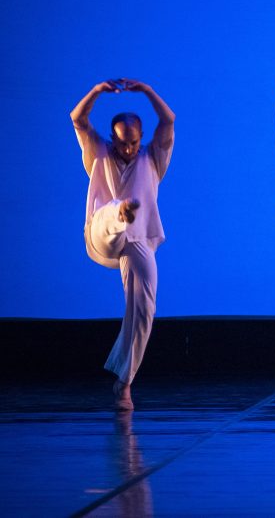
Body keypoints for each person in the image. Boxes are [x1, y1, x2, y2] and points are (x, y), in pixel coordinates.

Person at [71, 78, 175, 410]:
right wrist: (96, 92)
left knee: (144, 309)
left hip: (138, 239)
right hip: (101, 235)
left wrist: (147, 91)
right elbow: (78, 119)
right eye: (121, 143)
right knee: (112, 212)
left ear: (141, 138)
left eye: (133, 143)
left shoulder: (153, 158)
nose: (128, 149)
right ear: (111, 138)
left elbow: (168, 121)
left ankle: (124, 382)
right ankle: (121, 211)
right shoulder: (98, 153)